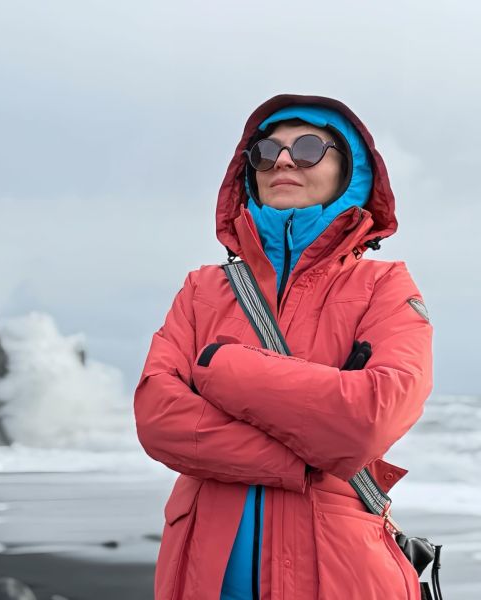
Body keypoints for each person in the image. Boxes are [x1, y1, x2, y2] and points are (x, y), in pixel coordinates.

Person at [134, 94, 433, 600]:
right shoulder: (202, 289)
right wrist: (305, 458)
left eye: (309, 148)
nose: (284, 161)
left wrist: (223, 368)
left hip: (340, 573)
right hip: (205, 572)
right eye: (266, 151)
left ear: (350, 171)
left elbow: (374, 415)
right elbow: (159, 419)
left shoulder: (384, 286)